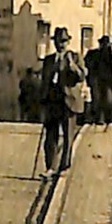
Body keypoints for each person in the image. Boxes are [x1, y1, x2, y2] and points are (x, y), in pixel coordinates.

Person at [39, 27, 86, 175]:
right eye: (59, 41)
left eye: (64, 41)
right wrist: (43, 99)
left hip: (69, 102)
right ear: (54, 42)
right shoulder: (49, 60)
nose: (61, 44)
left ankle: (64, 167)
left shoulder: (75, 57)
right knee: (50, 137)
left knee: (67, 137)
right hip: (53, 102)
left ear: (68, 42)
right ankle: (50, 167)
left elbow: (82, 76)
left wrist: (72, 66)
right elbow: (44, 81)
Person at [84, 35, 112, 126]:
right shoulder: (93, 53)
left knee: (106, 100)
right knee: (97, 99)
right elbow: (87, 63)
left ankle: (105, 118)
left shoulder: (110, 54)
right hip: (97, 79)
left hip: (106, 80)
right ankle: (99, 118)